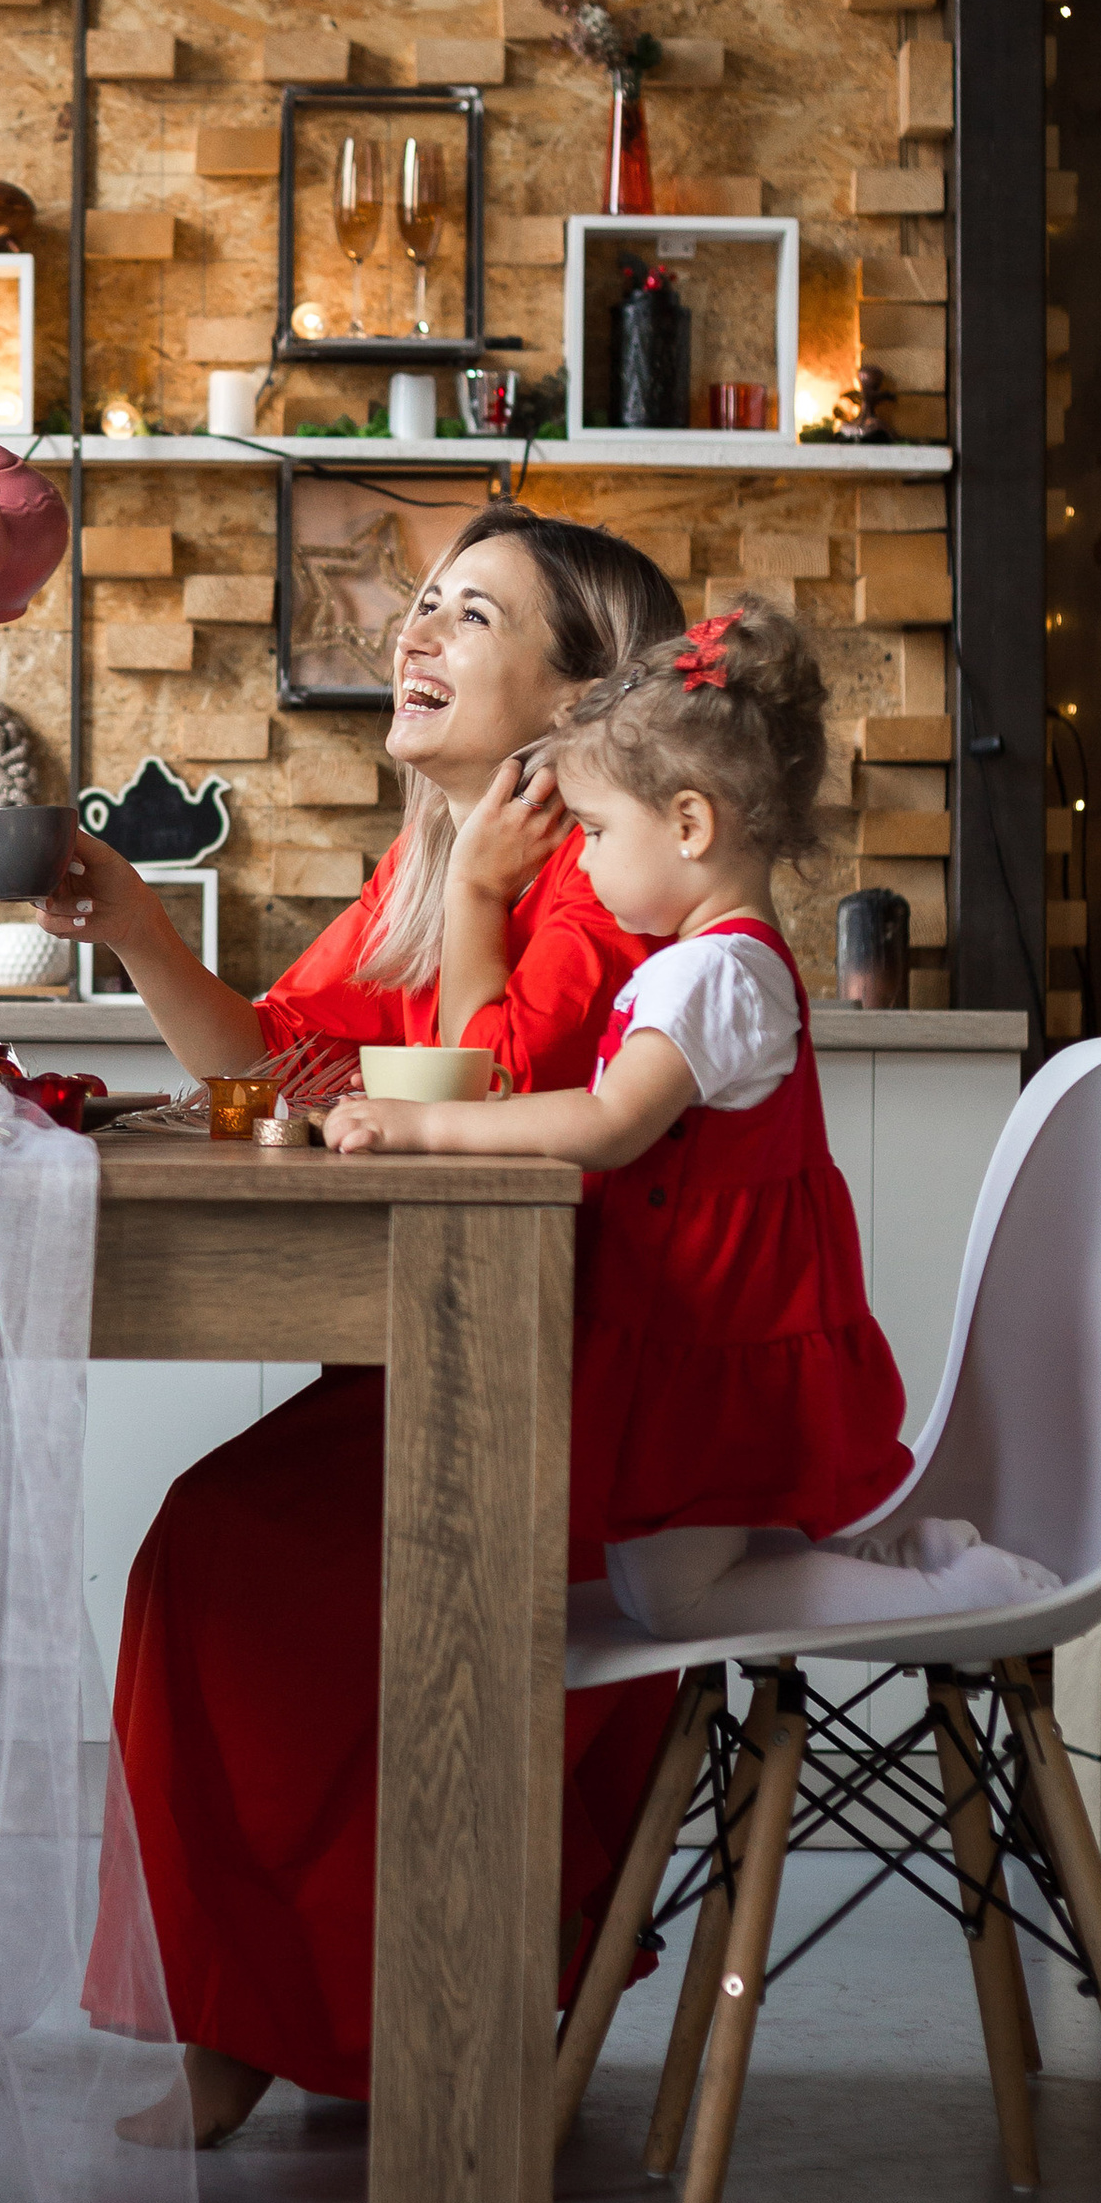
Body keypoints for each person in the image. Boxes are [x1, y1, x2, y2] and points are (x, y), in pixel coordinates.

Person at [46, 504, 688, 2146]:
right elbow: (266, 1060)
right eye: (424, 602)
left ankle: (327, 2009)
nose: (418, 633)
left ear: (578, 698)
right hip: (440, 1356)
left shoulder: (602, 892)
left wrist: (483, 897)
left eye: (472, 616)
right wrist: (136, 926)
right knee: (208, 1551)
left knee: (229, 1553)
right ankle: (283, 2007)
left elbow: (493, 1104)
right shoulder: (428, 872)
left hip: (576, 1389)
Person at [325, 596, 913, 1638]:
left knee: (673, 1600)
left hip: (714, 1340)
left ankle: (951, 1582)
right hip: (693, 1330)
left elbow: (606, 1124)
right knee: (651, 1586)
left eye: (595, 832)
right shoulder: (711, 965)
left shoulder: (715, 974)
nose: (583, 865)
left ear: (689, 825)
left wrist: (420, 1125)